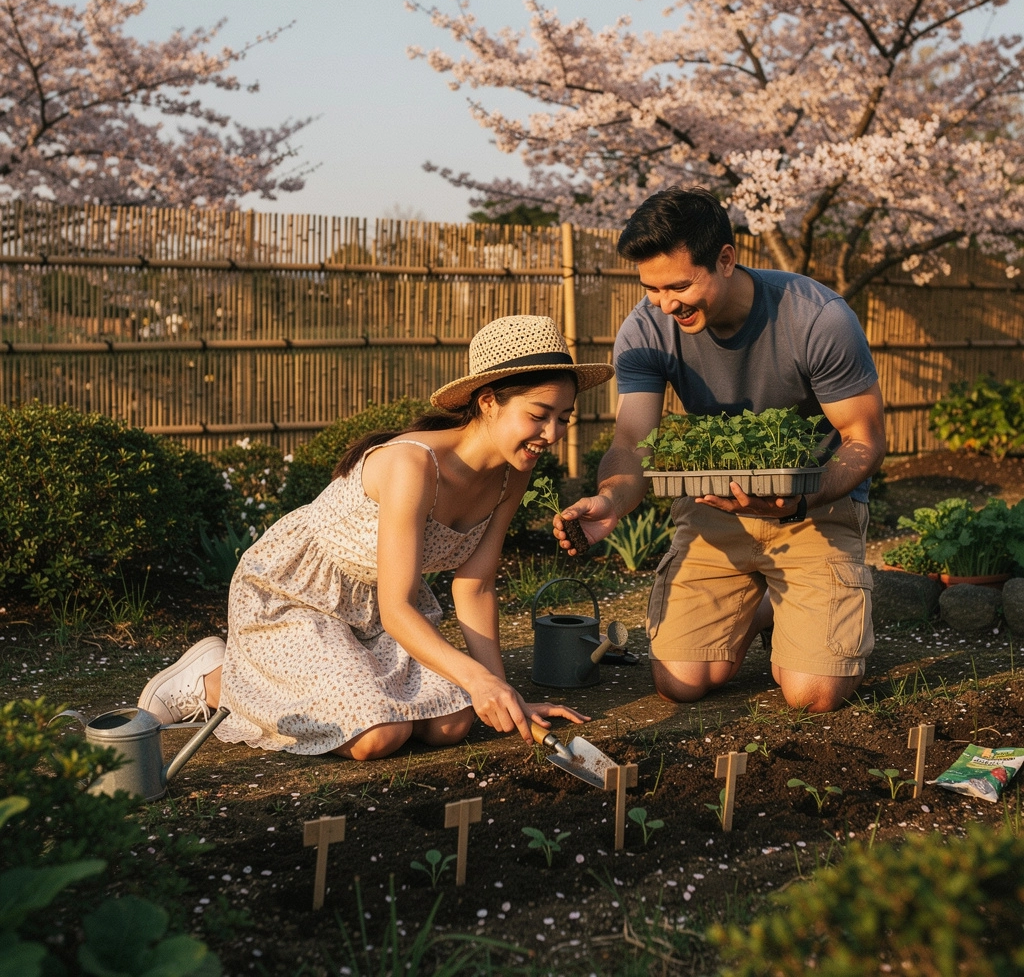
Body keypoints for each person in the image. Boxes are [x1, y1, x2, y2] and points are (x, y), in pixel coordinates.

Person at [138, 315, 614, 760]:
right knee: (377, 737)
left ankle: (343, 675)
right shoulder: (413, 465)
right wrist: (477, 678)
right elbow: (400, 607)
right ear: (488, 401)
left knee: (453, 723)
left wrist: (504, 692)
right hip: (299, 596)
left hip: (379, 610)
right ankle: (220, 679)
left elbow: (476, 585)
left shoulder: (512, 475)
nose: (552, 433)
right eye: (539, 414)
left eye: (564, 417)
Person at [555, 187, 886, 714]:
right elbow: (631, 442)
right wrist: (611, 502)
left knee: (811, 694)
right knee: (680, 683)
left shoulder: (818, 318)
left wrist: (796, 498)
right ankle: (760, 605)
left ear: (726, 259)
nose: (665, 304)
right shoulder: (646, 328)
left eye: (679, 285)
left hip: (814, 510)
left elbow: (863, 441)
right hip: (715, 509)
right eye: (652, 289)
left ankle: (786, 606)